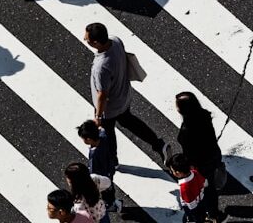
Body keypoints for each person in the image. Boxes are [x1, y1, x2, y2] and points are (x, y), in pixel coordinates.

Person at [84, 23, 169, 165]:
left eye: (87, 39)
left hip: (110, 108)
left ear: (96, 42)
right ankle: (159, 144)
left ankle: (112, 160)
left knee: (108, 133)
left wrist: (98, 116)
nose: (85, 39)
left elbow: (102, 94)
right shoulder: (116, 41)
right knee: (130, 122)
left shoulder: (101, 67)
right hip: (124, 96)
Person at [175, 92, 222, 220]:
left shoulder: (187, 129)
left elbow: (189, 151)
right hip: (212, 154)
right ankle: (214, 213)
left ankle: (213, 214)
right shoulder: (204, 115)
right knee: (209, 184)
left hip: (200, 163)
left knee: (206, 188)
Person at [77, 120, 122, 212]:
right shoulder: (103, 136)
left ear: (88, 139)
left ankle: (113, 204)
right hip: (109, 169)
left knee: (106, 192)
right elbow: (102, 129)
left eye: (83, 139)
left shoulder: (94, 155)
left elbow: (93, 172)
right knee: (110, 188)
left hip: (102, 176)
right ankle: (113, 201)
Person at [167, 153, 217, 223]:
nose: (172, 172)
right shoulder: (195, 172)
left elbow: (190, 203)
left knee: (195, 219)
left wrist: (192, 213)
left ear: (178, 173)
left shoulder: (184, 187)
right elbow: (205, 182)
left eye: (172, 171)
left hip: (192, 208)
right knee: (202, 213)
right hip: (201, 199)